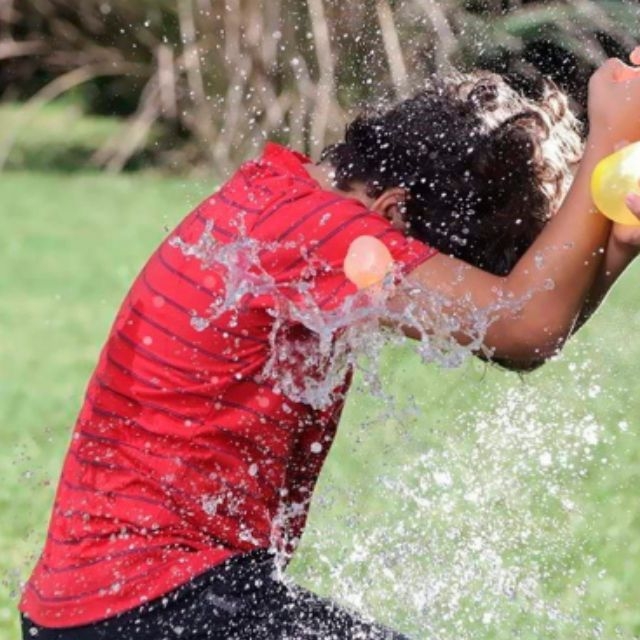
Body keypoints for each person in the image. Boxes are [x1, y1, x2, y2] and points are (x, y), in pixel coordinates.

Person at [19, 57, 640, 640]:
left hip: (114, 605)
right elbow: (518, 323)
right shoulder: (325, 235)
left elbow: (523, 332)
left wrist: (612, 250)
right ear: (395, 213)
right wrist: (607, 135)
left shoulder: (282, 198)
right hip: (151, 604)